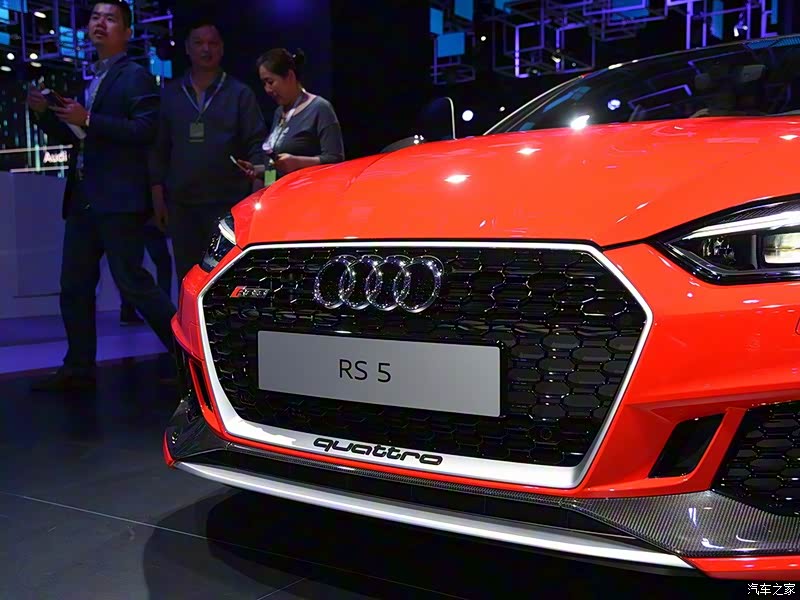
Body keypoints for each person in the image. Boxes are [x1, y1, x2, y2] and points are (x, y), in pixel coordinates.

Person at [27, 1, 176, 391]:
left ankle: (188, 360)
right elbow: (78, 138)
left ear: (127, 33)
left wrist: (89, 119)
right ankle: (78, 368)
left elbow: (145, 130)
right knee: (74, 286)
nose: (99, 23)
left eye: (110, 18)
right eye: (95, 17)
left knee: (134, 283)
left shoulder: (135, 77)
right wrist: (44, 114)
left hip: (119, 199)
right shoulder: (93, 77)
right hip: (83, 198)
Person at [149, 20, 267, 284]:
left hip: (227, 204)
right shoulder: (171, 94)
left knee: (226, 279)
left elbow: (257, 144)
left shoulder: (240, 94)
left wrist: (256, 193)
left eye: (212, 43)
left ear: (222, 49)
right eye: (199, 43)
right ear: (187, 48)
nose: (206, 49)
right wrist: (157, 197)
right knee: (187, 278)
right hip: (182, 205)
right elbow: (159, 149)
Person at [237, 48, 344, 184]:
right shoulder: (279, 112)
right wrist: (257, 170)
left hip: (307, 191)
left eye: (270, 82)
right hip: (280, 191)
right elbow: (279, 165)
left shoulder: (320, 108)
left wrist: (298, 162)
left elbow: (336, 159)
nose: (267, 89)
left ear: (290, 76)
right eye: (264, 83)